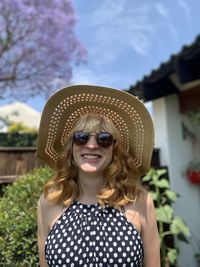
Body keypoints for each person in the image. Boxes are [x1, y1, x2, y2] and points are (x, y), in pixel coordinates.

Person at [37, 84, 160, 267]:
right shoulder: (48, 202)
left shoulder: (140, 201)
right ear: (71, 146)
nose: (92, 146)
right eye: (81, 137)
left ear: (114, 148)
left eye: (104, 139)